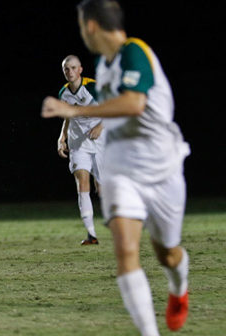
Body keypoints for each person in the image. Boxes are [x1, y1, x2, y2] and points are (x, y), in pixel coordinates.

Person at [41, 0, 190, 334]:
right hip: (123, 167)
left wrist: (75, 114)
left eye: (82, 28)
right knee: (125, 250)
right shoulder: (103, 64)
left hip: (162, 166)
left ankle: (179, 289)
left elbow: (134, 103)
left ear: (91, 26)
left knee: (167, 254)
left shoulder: (135, 52)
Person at [56, 55, 104, 245]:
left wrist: (100, 126)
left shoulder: (94, 87)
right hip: (79, 143)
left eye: (73, 68)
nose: (69, 72)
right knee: (82, 184)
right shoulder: (63, 93)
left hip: (100, 140)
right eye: (66, 69)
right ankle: (91, 235)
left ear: (80, 70)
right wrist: (63, 136)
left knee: (101, 188)